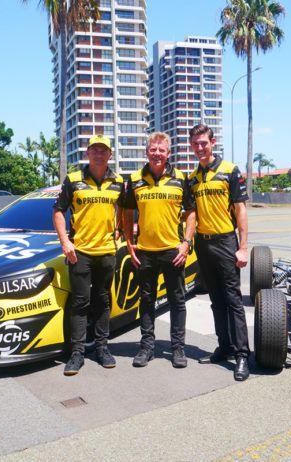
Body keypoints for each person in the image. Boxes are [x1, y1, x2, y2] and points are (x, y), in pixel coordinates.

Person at [122, 132, 195, 368]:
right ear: (147, 152)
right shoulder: (135, 179)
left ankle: (178, 348)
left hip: (173, 250)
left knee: (177, 300)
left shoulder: (181, 178)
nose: (157, 153)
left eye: (161, 150)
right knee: (146, 300)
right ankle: (147, 347)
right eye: (153, 149)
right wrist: (129, 243)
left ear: (168, 153)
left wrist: (186, 243)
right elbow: (126, 213)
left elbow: (191, 212)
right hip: (145, 251)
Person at [52, 134, 123, 376]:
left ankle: (102, 348)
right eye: (95, 149)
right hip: (80, 252)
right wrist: (65, 242)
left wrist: (120, 232)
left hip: (107, 252)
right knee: (80, 303)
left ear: (110, 154)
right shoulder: (74, 180)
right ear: (87, 153)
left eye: (103, 150)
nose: (99, 154)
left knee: (103, 301)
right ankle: (77, 354)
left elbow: (124, 210)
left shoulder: (118, 181)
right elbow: (58, 211)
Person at [188, 124, 250, 381]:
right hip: (203, 245)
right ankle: (224, 347)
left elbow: (240, 210)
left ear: (212, 143)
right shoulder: (193, 178)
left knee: (233, 299)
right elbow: (191, 214)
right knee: (216, 300)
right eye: (195, 144)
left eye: (204, 143)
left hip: (226, 242)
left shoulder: (229, 170)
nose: (200, 148)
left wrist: (242, 247)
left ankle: (242, 355)